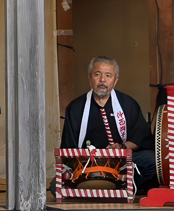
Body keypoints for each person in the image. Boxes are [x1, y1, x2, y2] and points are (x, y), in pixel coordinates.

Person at [60, 55, 155, 190]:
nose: (102, 80)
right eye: (97, 74)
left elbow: (142, 137)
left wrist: (121, 147)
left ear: (115, 81)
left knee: (152, 161)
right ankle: (104, 183)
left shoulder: (128, 104)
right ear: (90, 78)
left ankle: (121, 183)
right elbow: (68, 147)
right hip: (87, 162)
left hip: (122, 162)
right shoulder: (75, 107)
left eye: (108, 76)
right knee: (55, 186)